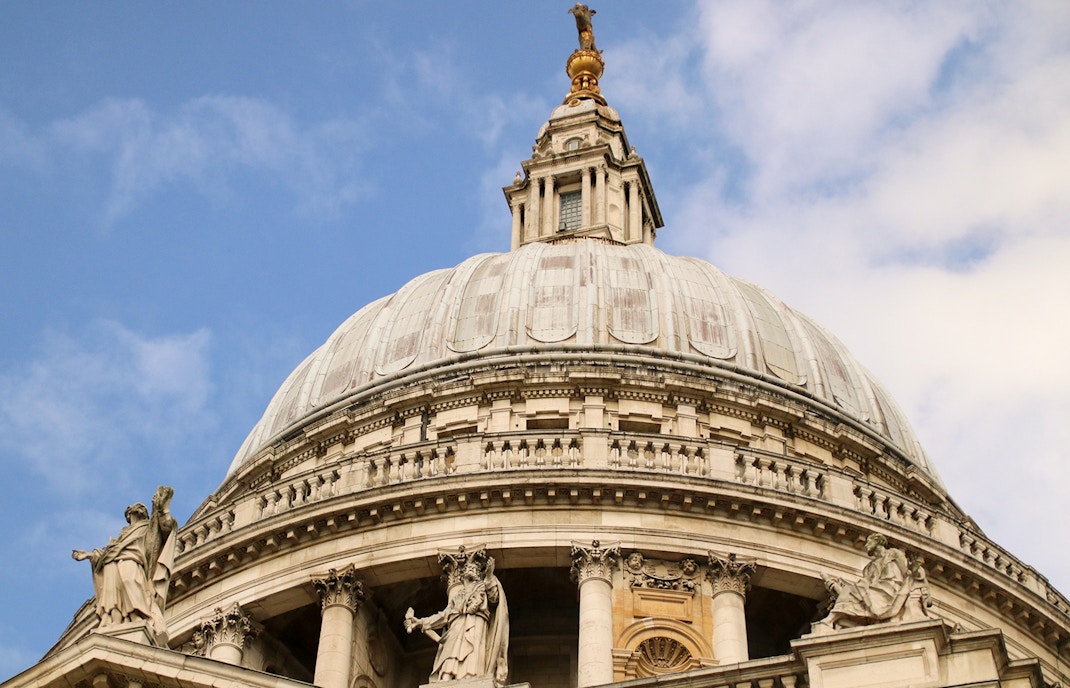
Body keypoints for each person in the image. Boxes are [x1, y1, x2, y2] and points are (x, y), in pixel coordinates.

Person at [73, 485, 176, 644]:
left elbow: (166, 528)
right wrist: (88, 555)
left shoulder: (148, 527)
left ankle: (140, 615)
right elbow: (106, 552)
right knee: (112, 594)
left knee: (131, 582)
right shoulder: (123, 534)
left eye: (143, 507)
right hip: (112, 563)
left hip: (132, 559)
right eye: (137, 507)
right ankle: (115, 619)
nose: (141, 508)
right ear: (129, 513)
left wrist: (163, 508)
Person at [406, 556, 509, 685]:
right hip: (456, 626)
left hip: (476, 623)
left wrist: (488, 576)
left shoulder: (483, 587)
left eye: (475, 569)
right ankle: (446, 680)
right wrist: (420, 622)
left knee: (472, 654)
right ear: (462, 574)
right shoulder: (458, 595)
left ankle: (472, 680)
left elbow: (494, 598)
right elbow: (444, 615)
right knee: (450, 655)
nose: (472, 570)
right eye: (469, 568)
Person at [816, 533, 922, 630]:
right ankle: (831, 618)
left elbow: (906, 572)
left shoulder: (894, 554)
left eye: (869, 542)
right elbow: (866, 585)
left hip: (892, 588)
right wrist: (839, 588)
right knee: (853, 589)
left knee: (857, 589)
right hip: (876, 590)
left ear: (878, 542)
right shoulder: (869, 567)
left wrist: (916, 571)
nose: (866, 545)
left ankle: (831, 619)